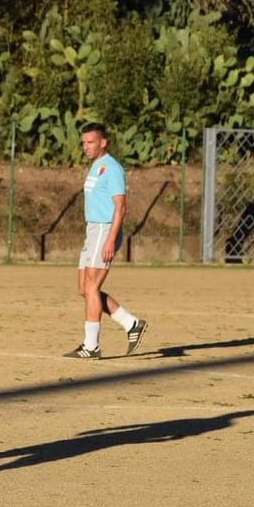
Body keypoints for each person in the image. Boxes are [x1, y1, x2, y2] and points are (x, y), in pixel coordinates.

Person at [64, 122, 147, 359]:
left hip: (104, 230)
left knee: (91, 287)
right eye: (84, 143)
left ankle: (91, 346)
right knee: (84, 288)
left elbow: (120, 207)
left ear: (103, 142)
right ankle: (131, 324)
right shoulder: (95, 166)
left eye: (90, 142)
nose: (86, 147)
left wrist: (110, 240)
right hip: (93, 230)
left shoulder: (111, 168)